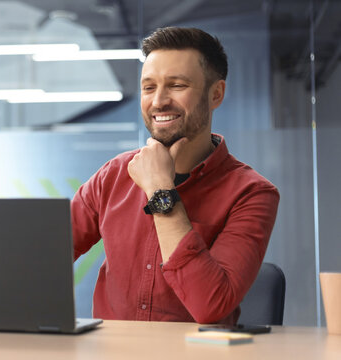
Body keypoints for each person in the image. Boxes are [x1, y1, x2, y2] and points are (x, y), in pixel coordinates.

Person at [71, 27, 280, 324]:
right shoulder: (114, 175)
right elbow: (44, 255)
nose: (158, 101)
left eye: (177, 85)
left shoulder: (252, 193)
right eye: (149, 87)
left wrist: (160, 190)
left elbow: (211, 306)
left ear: (216, 94)